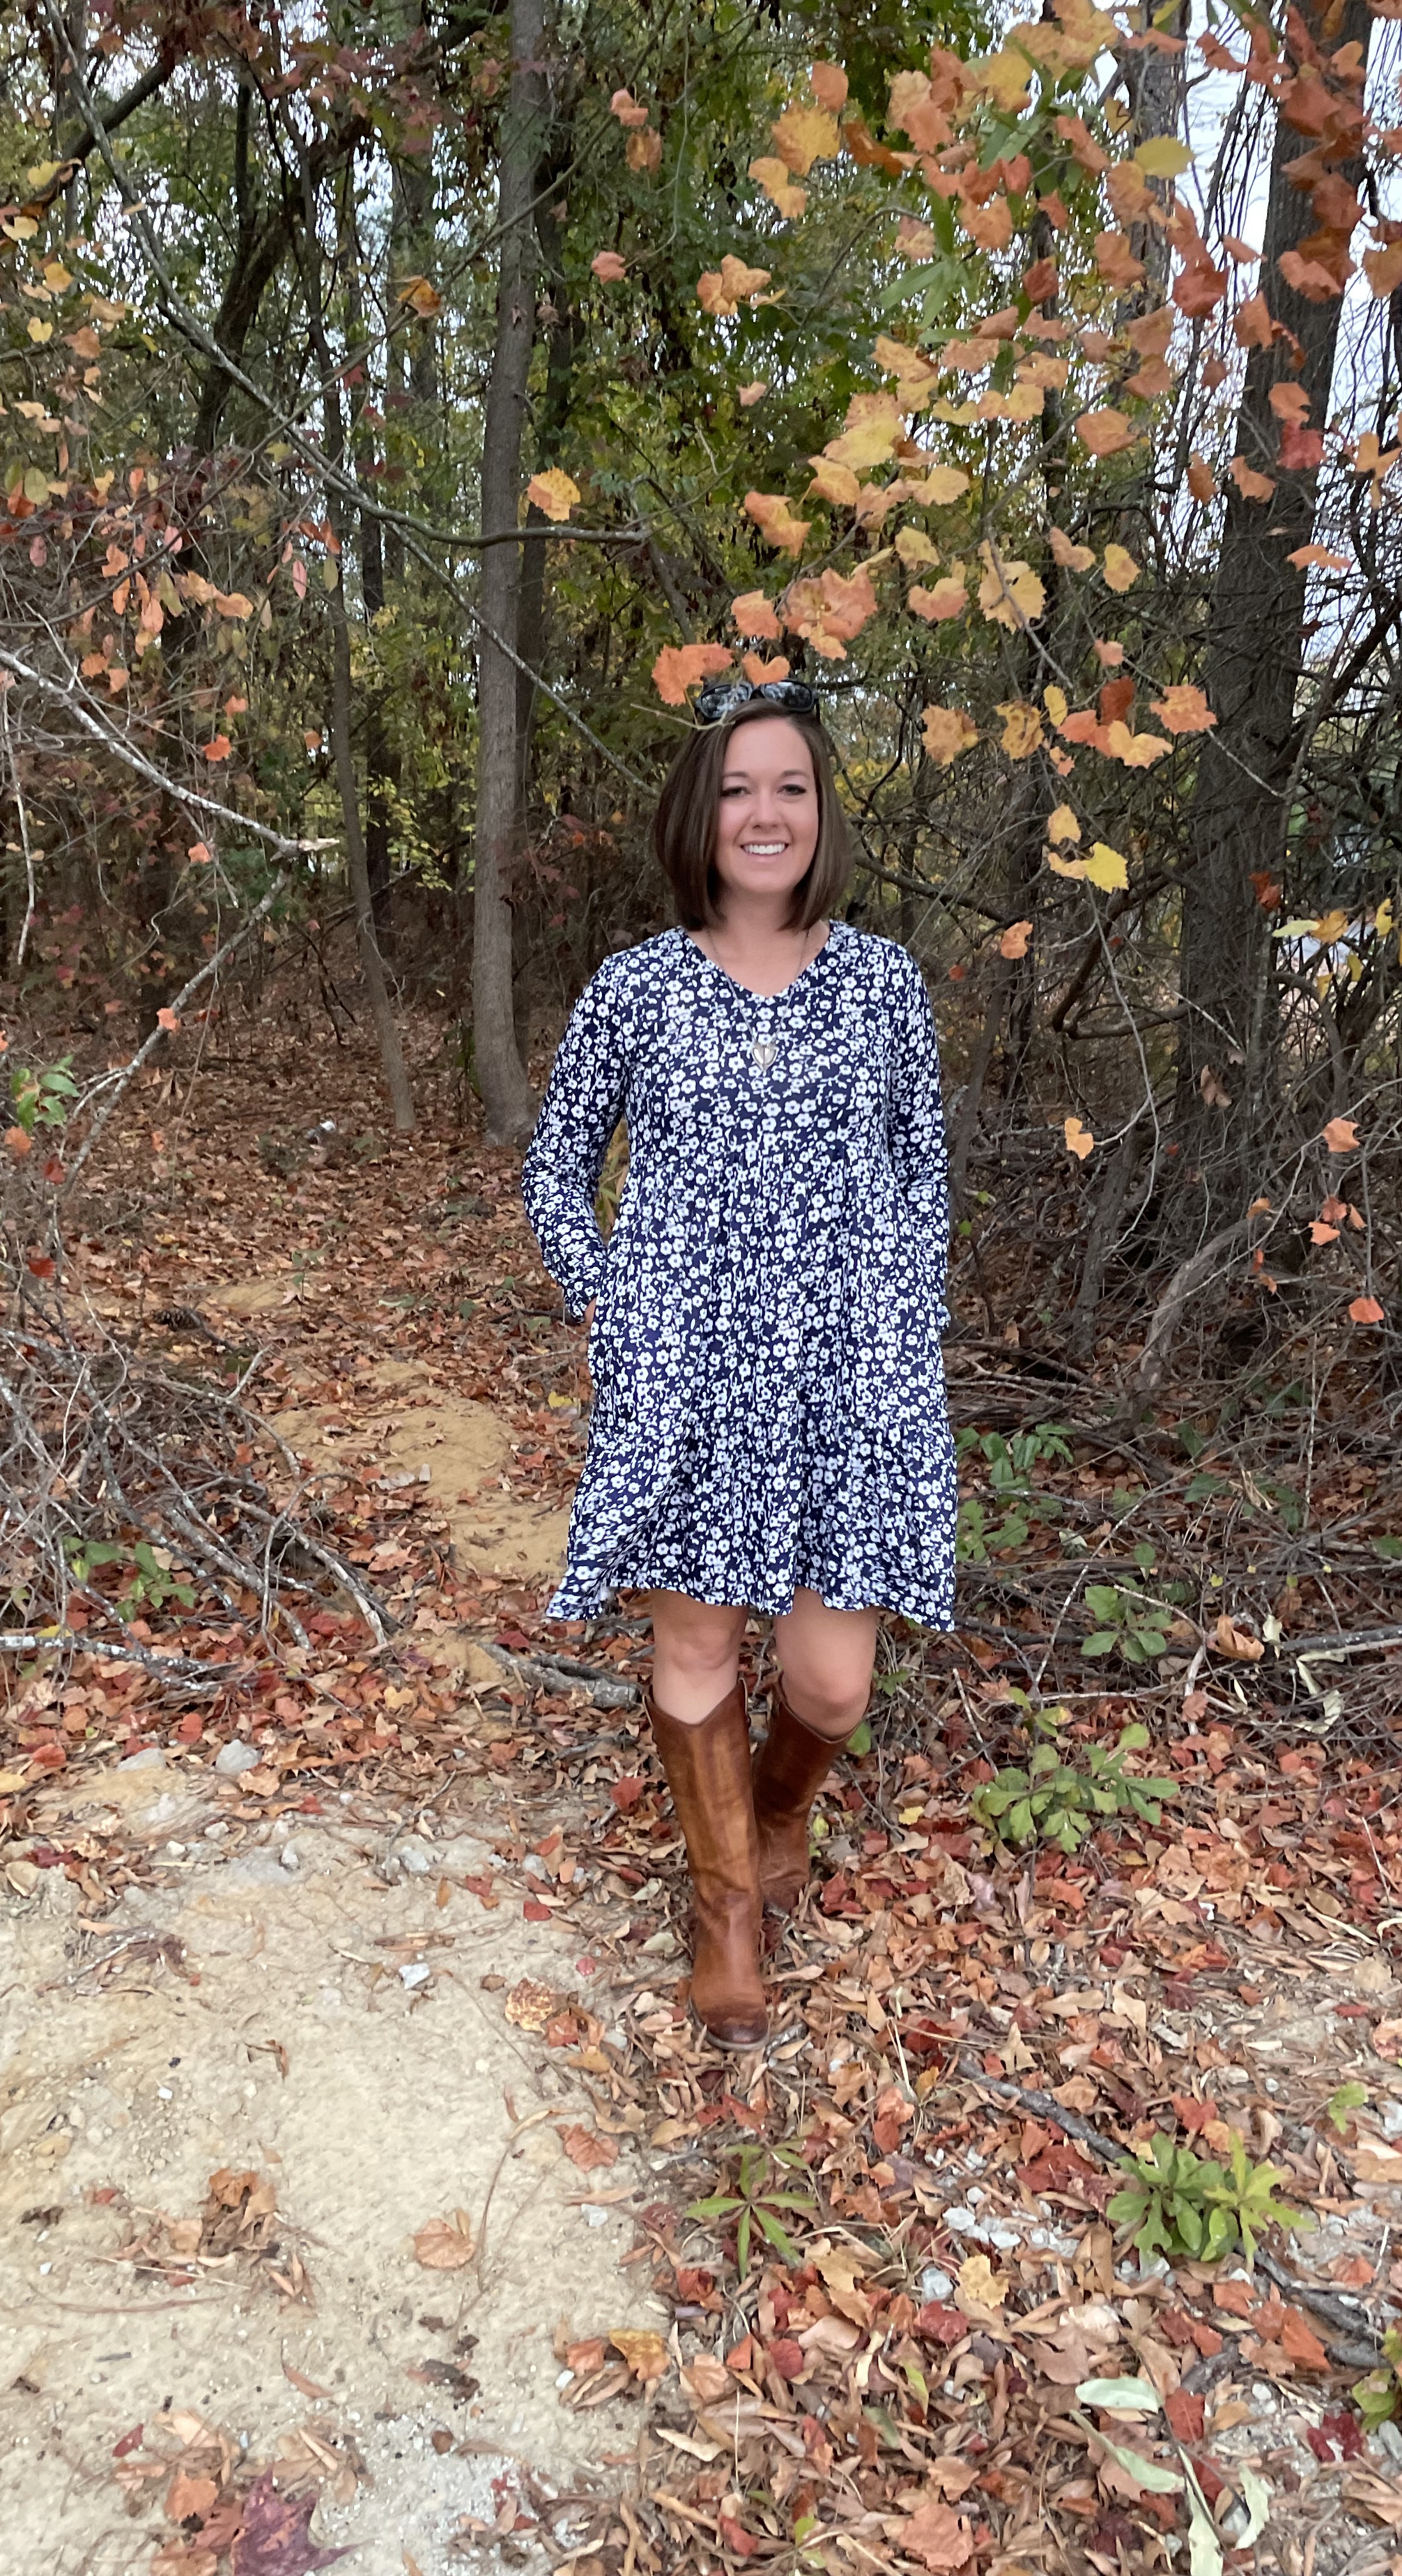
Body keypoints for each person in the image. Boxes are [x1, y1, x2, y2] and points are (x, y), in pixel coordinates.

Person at [520, 677, 956, 2049]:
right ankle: (725, 1908)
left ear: (820, 813)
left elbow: (923, 1179)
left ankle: (771, 1816)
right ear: (698, 815)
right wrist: (613, 1303)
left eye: (790, 788)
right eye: (736, 789)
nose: (764, 814)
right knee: (698, 1639)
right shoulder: (637, 988)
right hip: (687, 1376)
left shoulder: (881, 982)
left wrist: (902, 1331)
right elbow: (556, 1169)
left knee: (831, 1682)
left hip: (850, 1375)